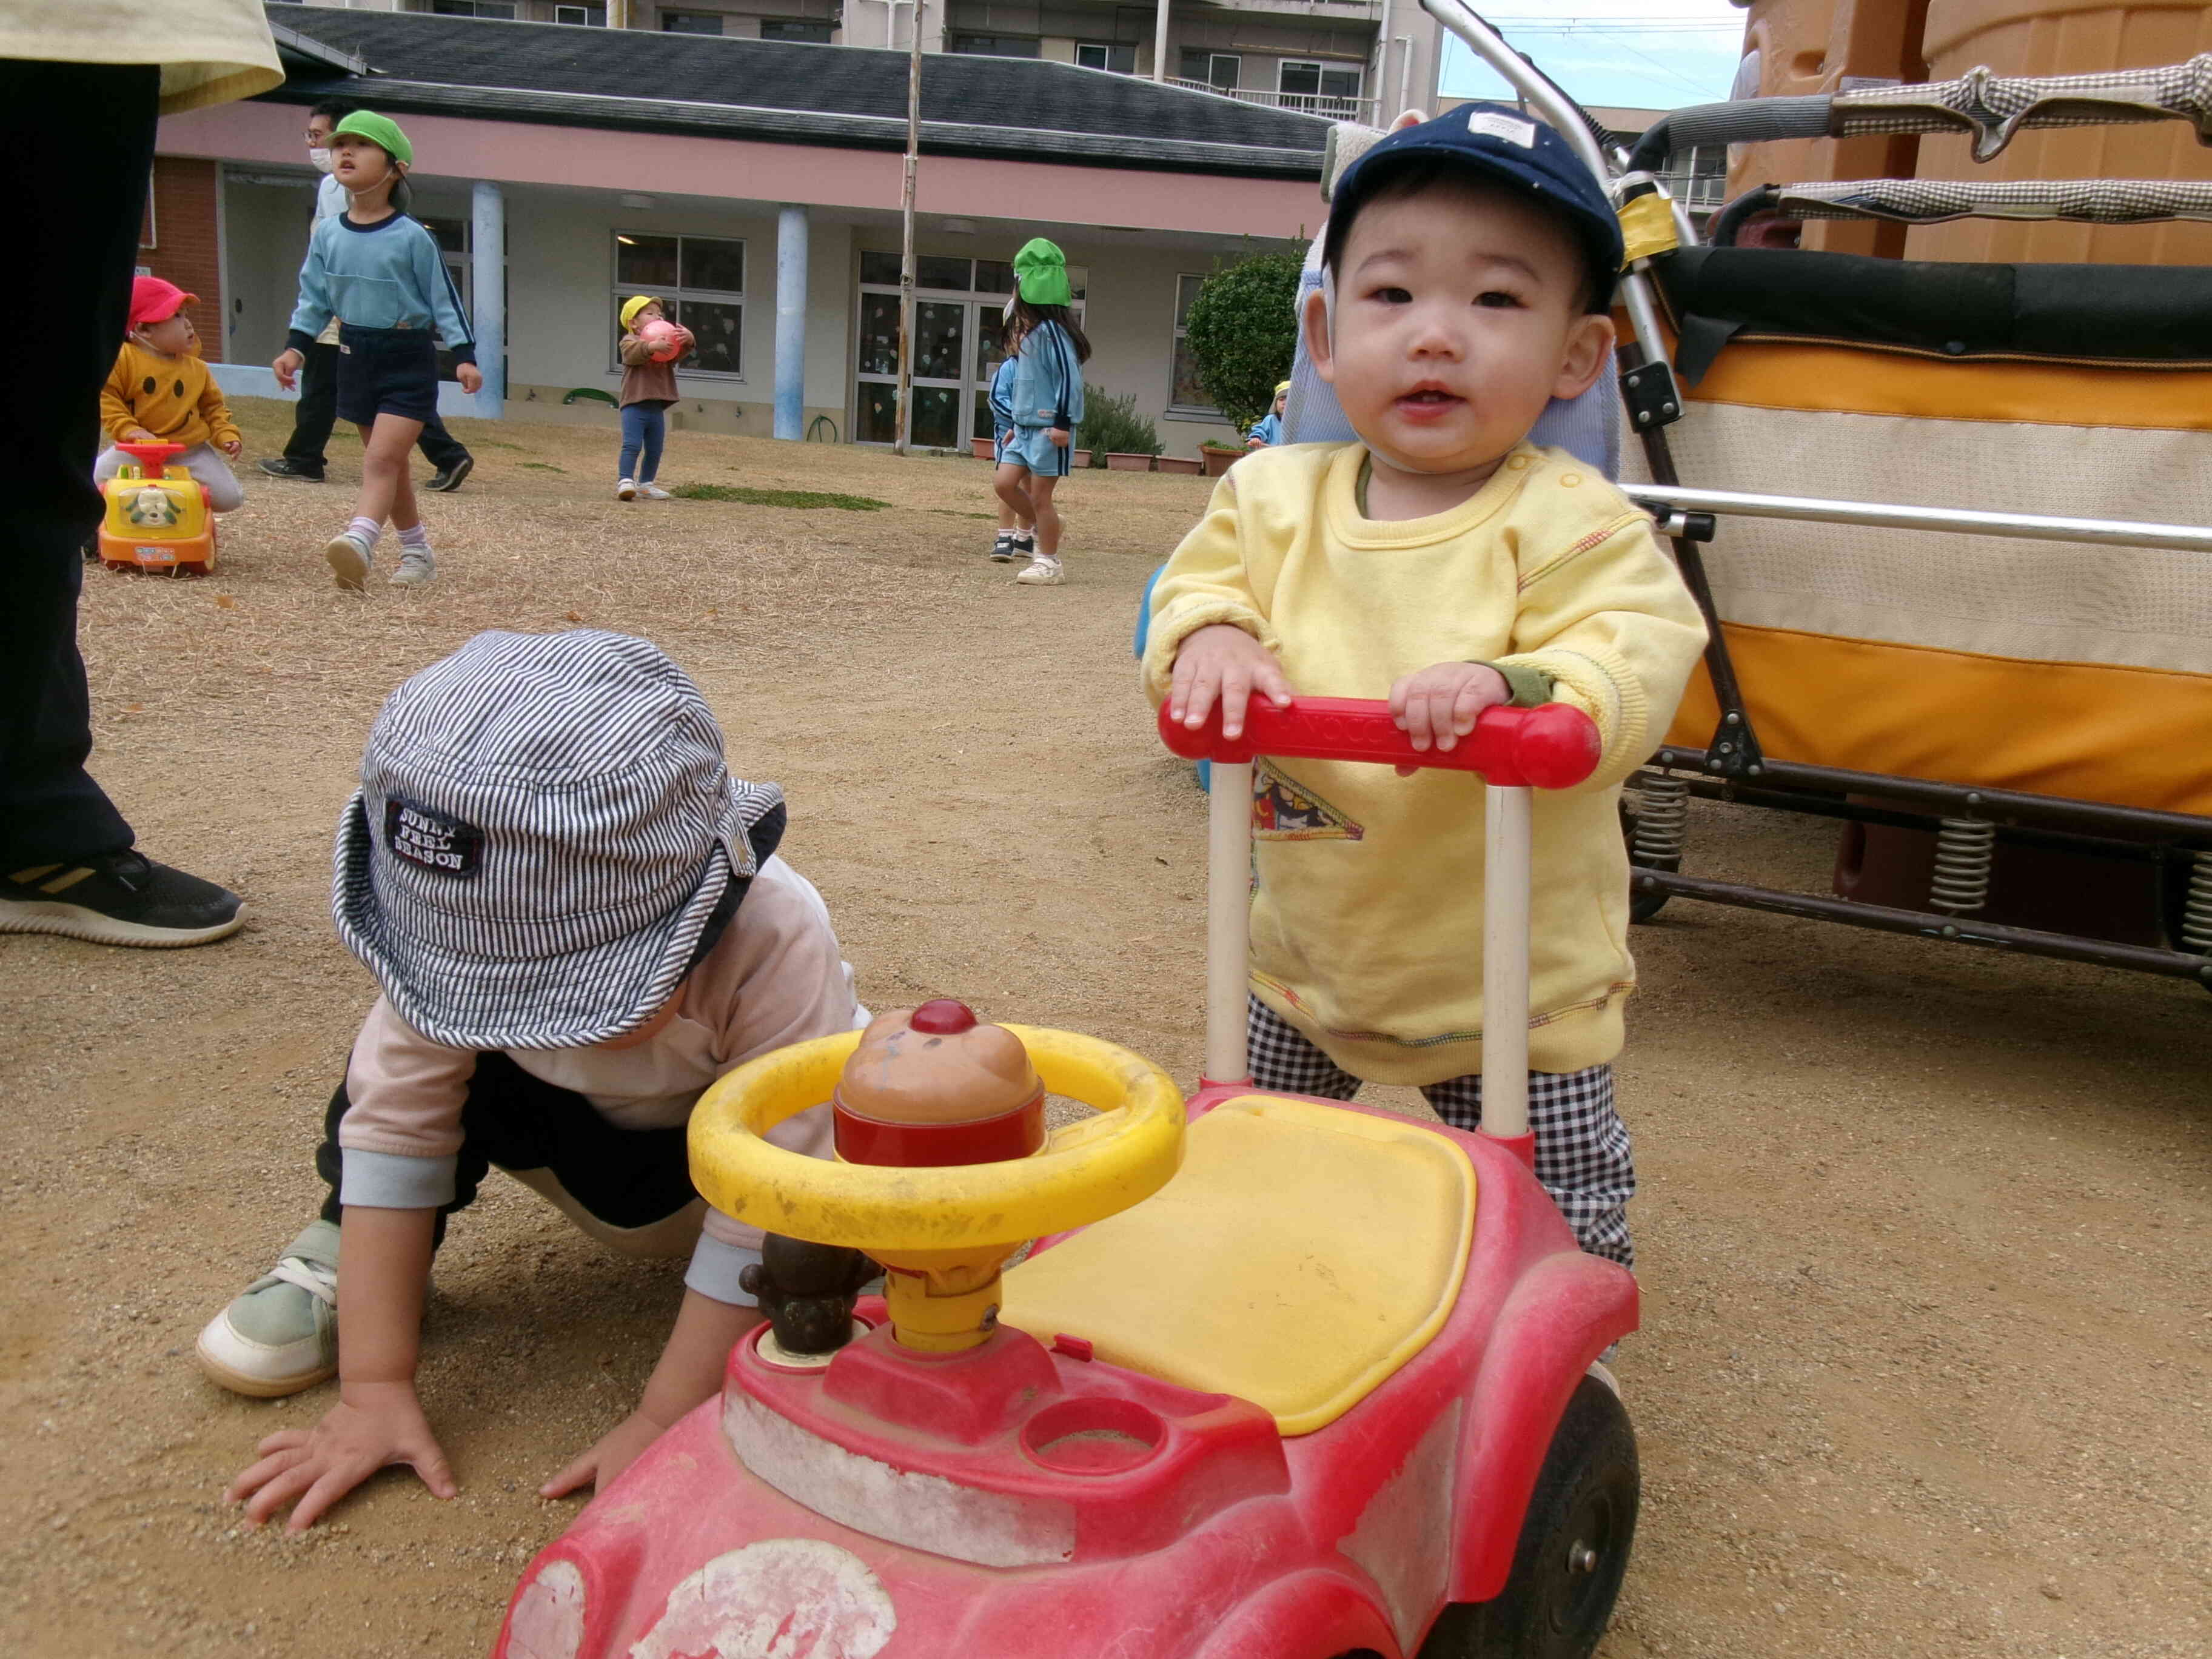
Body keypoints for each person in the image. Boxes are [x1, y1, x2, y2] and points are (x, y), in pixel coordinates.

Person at [1142, 106, 1709, 1269]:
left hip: (1512, 980)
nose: (1435, 336)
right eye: (1391, 296)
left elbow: (1643, 642)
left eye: (1496, 301)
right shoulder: (1267, 498)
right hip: (1308, 955)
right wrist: (1209, 640)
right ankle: (1264, 1275)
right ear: (1324, 329)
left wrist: (1525, 688)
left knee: (1552, 1199)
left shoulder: (1569, 518)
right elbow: (1197, 594)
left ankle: (1561, 1328)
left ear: (1575, 354)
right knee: (1254, 1144)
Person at [203, 628, 866, 1532]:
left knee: (879, 1103)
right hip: (564, 1136)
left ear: (700, 905)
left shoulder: (776, 937)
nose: (505, 1015)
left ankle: (838, 1281)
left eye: (553, 990)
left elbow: (771, 1194)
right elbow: (398, 1126)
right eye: (477, 987)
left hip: (714, 1169)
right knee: (382, 1077)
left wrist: (665, 1418)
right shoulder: (448, 926)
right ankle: (339, 1252)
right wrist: (373, 1387)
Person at [0, 2, 272, 950]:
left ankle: (28, 825)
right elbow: (116, 415)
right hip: (67, 42)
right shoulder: (132, 365)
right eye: (175, 320)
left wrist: (220, 434)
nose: (185, 331)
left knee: (33, 433)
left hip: (77, 35)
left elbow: (196, 414)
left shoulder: (191, 371)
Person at [272, 111, 480, 591]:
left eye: (363, 146)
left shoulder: (413, 237)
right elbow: (314, 299)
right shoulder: (327, 234)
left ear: (396, 168)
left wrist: (464, 354)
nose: (346, 151)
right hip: (354, 355)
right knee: (393, 465)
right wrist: (295, 349)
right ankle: (417, 552)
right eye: (341, 143)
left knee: (381, 462)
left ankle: (360, 539)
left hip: (408, 357)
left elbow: (444, 299)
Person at [93, 275, 246, 515]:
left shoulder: (196, 368)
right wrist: (129, 430)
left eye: (186, 315)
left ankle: (187, 509)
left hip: (189, 451)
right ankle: (101, 526)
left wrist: (225, 434)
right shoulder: (123, 359)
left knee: (230, 498)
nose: (188, 324)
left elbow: (213, 408)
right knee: (95, 479)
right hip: (136, 450)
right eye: (177, 316)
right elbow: (107, 398)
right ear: (144, 329)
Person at [994, 237, 1088, 588]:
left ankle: (1048, 561)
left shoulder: (1053, 333)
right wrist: (1015, 423)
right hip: (1022, 430)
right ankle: (1049, 525)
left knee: (1040, 496)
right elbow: (1026, 385)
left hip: (1050, 429)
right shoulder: (1031, 335)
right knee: (1004, 484)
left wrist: (1062, 423)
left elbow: (1070, 379)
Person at [614, 295, 693, 501]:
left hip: (656, 407)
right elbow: (632, 354)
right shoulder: (630, 341)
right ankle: (625, 481)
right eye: (650, 314)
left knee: (655, 448)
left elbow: (674, 356)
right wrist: (651, 347)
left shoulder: (664, 343)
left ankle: (646, 484)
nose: (658, 317)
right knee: (632, 444)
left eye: (659, 314)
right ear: (633, 323)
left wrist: (688, 341)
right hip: (634, 404)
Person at [987, 301, 1036, 563]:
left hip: (1035, 437)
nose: (1024, 337)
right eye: (1018, 331)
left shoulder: (1042, 371)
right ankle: (1004, 535)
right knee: (1009, 484)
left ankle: (1024, 537)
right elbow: (996, 400)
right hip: (1009, 436)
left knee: (1030, 486)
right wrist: (1020, 420)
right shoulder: (1009, 368)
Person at [1244, 380, 1291, 449]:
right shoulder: (1270, 420)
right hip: (1271, 456)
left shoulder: (1301, 422)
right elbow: (1261, 431)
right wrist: (1256, 439)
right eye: (1281, 399)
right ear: (1275, 404)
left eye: (1289, 399)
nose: (1284, 403)